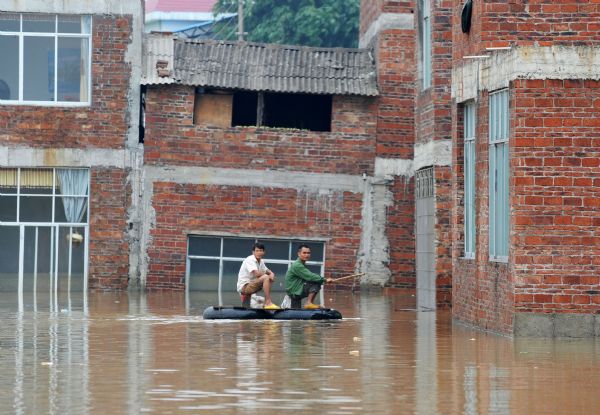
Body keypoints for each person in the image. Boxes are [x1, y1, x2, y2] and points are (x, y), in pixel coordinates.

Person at [285, 244, 334, 309]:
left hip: (295, 290)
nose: (307, 255)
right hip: (295, 291)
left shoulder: (301, 264)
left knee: (296, 311)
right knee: (316, 283)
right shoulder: (298, 265)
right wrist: (325, 280)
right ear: (299, 254)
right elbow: (310, 276)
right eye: (304, 253)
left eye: (308, 253)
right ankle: (309, 303)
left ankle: (308, 305)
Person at [237, 242, 281, 310]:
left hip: (251, 285)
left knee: (269, 278)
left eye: (261, 251)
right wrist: (268, 275)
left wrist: (272, 274)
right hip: (244, 287)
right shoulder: (250, 259)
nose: (259, 252)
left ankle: (265, 304)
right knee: (266, 277)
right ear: (253, 252)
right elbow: (256, 273)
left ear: (264, 252)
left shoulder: (261, 261)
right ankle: (268, 302)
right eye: (257, 251)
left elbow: (267, 270)